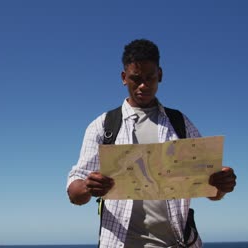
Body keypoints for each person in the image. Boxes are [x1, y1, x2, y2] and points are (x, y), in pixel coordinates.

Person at [66, 39, 237, 248]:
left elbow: (212, 192)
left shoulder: (180, 123)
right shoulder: (103, 126)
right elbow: (74, 193)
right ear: (123, 78)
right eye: (135, 79)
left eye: (150, 78)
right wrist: (88, 186)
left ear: (160, 75)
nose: (143, 86)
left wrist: (222, 184)